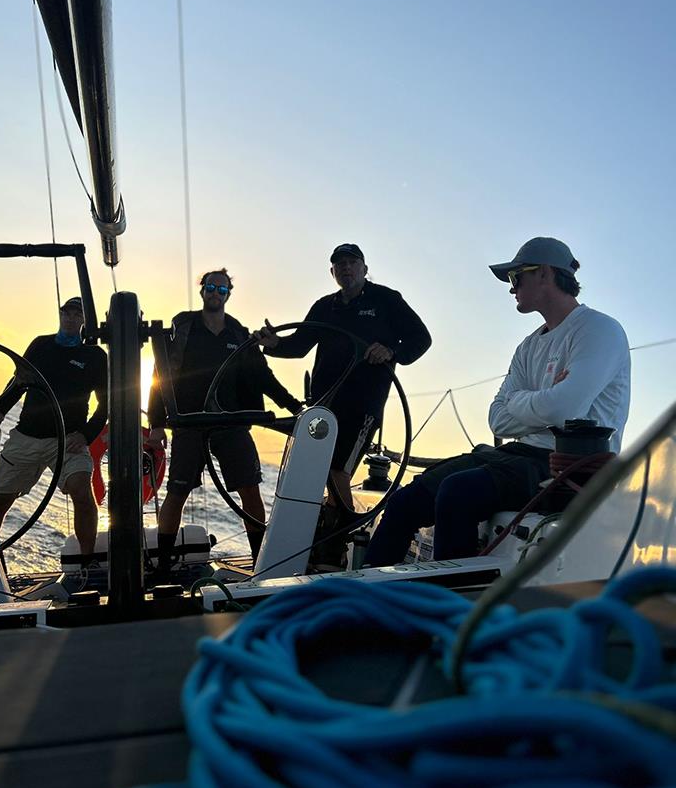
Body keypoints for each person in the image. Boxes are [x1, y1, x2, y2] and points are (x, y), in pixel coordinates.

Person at [365, 237, 631, 566]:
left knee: (457, 493)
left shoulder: (598, 330)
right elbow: (498, 420)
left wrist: (522, 401)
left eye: (516, 277)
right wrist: (544, 402)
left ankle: (455, 610)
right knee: (405, 500)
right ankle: (359, 602)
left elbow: (564, 411)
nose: (511, 287)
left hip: (566, 465)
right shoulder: (527, 347)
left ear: (546, 274)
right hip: (517, 455)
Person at [255, 244, 432, 550]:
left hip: (364, 405)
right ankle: (321, 539)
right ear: (332, 272)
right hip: (324, 405)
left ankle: (339, 541)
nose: (346, 268)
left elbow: (422, 339)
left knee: (338, 469)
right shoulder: (325, 307)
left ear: (364, 268)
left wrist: (392, 351)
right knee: (317, 467)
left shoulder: (387, 300)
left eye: (352, 262)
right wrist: (272, 344)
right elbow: (298, 346)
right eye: (339, 264)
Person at [147, 269, 302, 572]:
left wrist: (295, 407)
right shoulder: (184, 327)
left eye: (222, 288)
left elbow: (263, 377)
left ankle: (261, 564)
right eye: (211, 287)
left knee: (250, 491)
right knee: (177, 492)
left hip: (231, 424)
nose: (216, 292)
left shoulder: (238, 334)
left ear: (229, 294)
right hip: (190, 423)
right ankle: (163, 568)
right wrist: (156, 422)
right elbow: (159, 376)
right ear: (202, 290)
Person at [0, 296, 107, 559]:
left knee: (83, 492)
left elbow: (106, 405)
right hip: (27, 436)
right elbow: (18, 382)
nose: (71, 318)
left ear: (84, 320)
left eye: (77, 314)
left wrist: (85, 435)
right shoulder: (40, 345)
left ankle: (87, 561)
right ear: (60, 314)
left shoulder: (94, 356)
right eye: (67, 313)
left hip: (67, 441)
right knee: (0, 501)